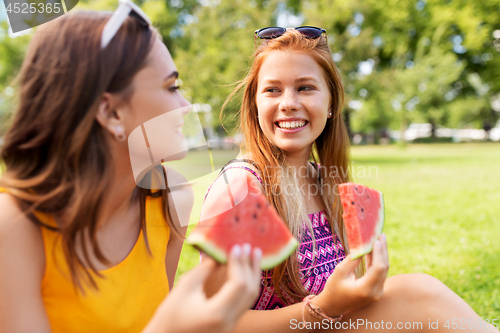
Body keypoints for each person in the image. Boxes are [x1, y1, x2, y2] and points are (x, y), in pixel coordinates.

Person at [200, 27, 499, 332]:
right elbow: (211, 323)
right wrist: (322, 309)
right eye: (272, 90)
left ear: (331, 105)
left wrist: (353, 292)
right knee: (418, 293)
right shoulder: (239, 188)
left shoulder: (324, 180)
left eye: (305, 88)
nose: (288, 102)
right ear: (255, 104)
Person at [0, 3, 262, 333]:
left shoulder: (172, 198)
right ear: (111, 113)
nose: (185, 106)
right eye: (171, 87)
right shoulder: (14, 224)